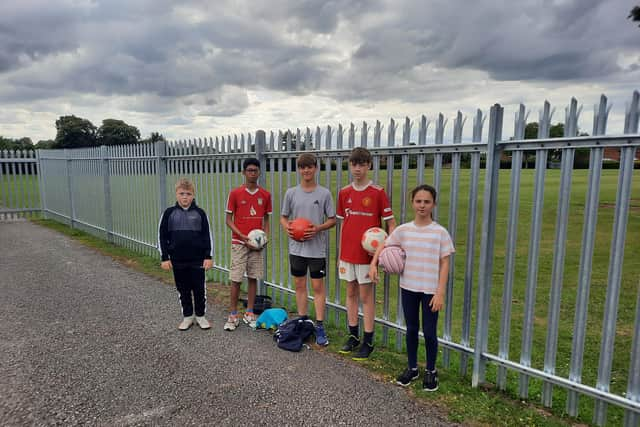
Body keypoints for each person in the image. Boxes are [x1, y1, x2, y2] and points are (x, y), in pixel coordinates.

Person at [369, 184, 454, 391]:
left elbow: (445, 263)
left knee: (430, 331)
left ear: (434, 204)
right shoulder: (404, 230)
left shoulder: (440, 233)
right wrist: (373, 264)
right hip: (409, 287)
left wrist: (440, 292)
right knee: (412, 329)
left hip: (430, 291)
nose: (422, 205)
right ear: (412, 203)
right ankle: (412, 367)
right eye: (418, 201)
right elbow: (385, 244)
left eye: (427, 202)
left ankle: (431, 371)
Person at [336, 147, 396, 360]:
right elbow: (343, 225)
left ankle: (368, 340)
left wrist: (385, 249)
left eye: (362, 164)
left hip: (367, 257)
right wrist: (339, 254)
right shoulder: (344, 193)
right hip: (347, 254)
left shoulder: (377, 193)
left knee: (366, 296)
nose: (358, 168)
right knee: (350, 293)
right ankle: (353, 335)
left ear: (369, 166)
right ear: (350, 166)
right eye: (354, 164)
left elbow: (391, 224)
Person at [280, 153, 336, 346]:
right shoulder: (291, 193)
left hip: (316, 250)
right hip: (296, 248)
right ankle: (303, 320)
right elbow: (283, 216)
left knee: (318, 288)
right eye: (302, 167)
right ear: (299, 170)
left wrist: (317, 228)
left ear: (315, 168)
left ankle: (319, 325)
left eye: (309, 167)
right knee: (299, 285)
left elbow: (332, 220)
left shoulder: (324, 193)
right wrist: (287, 227)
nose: (306, 170)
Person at [158, 178, 214, 331]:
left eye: (188, 194)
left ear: (193, 195)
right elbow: (162, 236)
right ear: (176, 194)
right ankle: (188, 316)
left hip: (197, 260)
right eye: (181, 193)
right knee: (183, 289)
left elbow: (207, 236)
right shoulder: (169, 213)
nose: (185, 197)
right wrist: (164, 258)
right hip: (177, 260)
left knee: (199, 289)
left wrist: (208, 257)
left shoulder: (200, 213)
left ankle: (201, 316)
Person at [224, 158, 272, 331]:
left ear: (259, 172)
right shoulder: (235, 193)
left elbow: (266, 219)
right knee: (236, 278)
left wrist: (265, 238)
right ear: (243, 172)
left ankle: (250, 312)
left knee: (253, 277)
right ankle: (233, 314)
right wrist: (243, 236)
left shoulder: (265, 195)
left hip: (256, 245)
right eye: (249, 170)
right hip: (239, 242)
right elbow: (228, 220)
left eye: (255, 170)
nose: (253, 173)